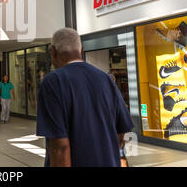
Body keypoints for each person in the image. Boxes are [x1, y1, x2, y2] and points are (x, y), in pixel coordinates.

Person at [36, 28, 134, 167]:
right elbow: (122, 131)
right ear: (81, 49)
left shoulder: (53, 82)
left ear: (53, 51)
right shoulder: (106, 79)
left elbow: (60, 147)